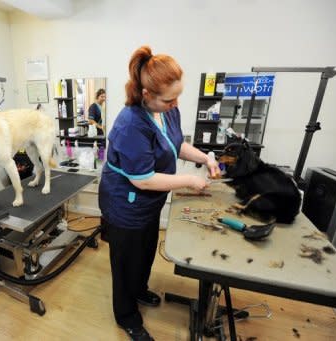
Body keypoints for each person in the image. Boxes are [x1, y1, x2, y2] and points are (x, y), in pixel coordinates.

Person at [98, 46, 220, 341]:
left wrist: (204, 158)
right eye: (169, 99)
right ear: (146, 94)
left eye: (178, 96)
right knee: (126, 261)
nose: (176, 103)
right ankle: (126, 316)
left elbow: (176, 144)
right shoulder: (130, 125)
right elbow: (144, 180)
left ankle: (139, 290)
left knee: (146, 250)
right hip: (126, 203)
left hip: (150, 202)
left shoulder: (167, 112)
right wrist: (189, 180)